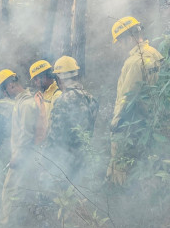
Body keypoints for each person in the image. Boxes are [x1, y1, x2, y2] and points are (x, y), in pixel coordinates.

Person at [107, 16, 164, 185]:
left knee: (121, 170)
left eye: (121, 42)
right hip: (154, 123)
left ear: (127, 38)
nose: (121, 46)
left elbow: (127, 98)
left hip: (132, 126)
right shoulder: (156, 54)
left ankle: (122, 201)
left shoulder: (133, 62)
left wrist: (115, 124)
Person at [0, 69, 39, 225]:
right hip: (23, 157)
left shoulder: (26, 104)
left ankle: (6, 226)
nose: (4, 95)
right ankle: (20, 224)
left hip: (23, 159)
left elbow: (26, 135)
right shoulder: (20, 102)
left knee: (10, 191)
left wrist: (17, 157)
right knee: (20, 191)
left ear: (11, 85)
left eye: (4, 91)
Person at [46, 56, 98, 183]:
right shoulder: (91, 98)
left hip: (65, 162)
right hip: (84, 158)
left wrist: (46, 159)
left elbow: (55, 137)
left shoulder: (62, 101)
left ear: (59, 78)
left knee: (64, 197)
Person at [29, 60, 62, 144]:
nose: (35, 83)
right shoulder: (42, 94)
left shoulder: (57, 95)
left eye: (36, 79)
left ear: (43, 77)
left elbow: (53, 126)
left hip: (49, 144)